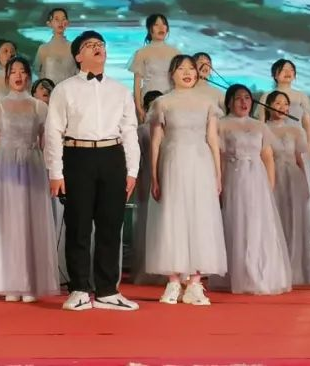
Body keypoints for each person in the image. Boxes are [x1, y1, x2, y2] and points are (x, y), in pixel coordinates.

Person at [44, 30, 140, 312]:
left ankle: (108, 290)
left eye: (101, 44)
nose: (98, 48)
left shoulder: (120, 90)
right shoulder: (64, 89)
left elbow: (130, 131)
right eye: (90, 45)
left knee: (111, 226)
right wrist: (55, 172)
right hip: (77, 156)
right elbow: (53, 131)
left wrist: (132, 170)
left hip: (112, 156)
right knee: (79, 226)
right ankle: (79, 289)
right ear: (78, 56)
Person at [146, 55, 226, 306]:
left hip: (201, 165)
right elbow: (156, 142)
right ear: (172, 74)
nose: (187, 73)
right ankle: (173, 281)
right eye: (181, 69)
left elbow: (212, 140)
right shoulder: (162, 103)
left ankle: (195, 283)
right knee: (173, 218)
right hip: (173, 163)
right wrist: (154, 176)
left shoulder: (207, 103)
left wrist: (218, 173)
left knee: (200, 219)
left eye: (191, 68)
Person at [0, 56, 59, 303]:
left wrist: (53, 173)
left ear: (28, 76)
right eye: (13, 71)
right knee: (8, 224)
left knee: (30, 223)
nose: (18, 75)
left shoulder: (39, 107)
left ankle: (29, 283)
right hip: (5, 167)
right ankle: (9, 282)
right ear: (7, 77)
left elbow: (47, 144)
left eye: (22, 71)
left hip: (32, 166)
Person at [211, 84, 292, 295]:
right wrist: (219, 184)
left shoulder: (259, 126)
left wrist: (269, 186)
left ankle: (261, 274)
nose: (244, 102)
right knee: (238, 223)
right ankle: (240, 274)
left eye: (247, 98)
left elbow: (267, 157)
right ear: (229, 102)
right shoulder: (221, 125)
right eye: (239, 98)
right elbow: (219, 157)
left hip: (258, 179)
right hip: (234, 177)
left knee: (259, 226)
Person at [265, 90, 310, 286]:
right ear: (268, 105)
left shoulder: (296, 131)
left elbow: (299, 159)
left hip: (293, 178)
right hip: (272, 177)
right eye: (277, 103)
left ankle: (295, 270)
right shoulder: (262, 129)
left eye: (285, 104)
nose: (282, 107)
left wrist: (305, 184)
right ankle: (276, 270)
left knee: (295, 220)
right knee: (275, 219)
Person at [257, 59, 310, 178]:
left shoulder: (301, 96)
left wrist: (308, 149)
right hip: (275, 144)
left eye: (291, 70)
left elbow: (307, 126)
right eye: (284, 69)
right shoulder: (267, 96)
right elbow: (261, 124)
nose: (288, 72)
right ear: (275, 75)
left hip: (298, 144)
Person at [130, 90, 164, 285]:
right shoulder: (142, 130)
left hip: (166, 176)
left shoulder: (168, 128)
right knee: (146, 223)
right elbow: (139, 158)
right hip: (147, 178)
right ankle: (146, 269)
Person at [127, 13, 179, 122]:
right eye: (156, 25)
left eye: (164, 24)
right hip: (149, 99)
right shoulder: (142, 53)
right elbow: (137, 83)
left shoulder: (175, 52)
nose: (161, 28)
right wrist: (139, 107)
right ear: (149, 29)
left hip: (171, 98)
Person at [34, 8, 77, 84]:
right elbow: (37, 71)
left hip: (70, 89)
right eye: (56, 19)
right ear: (49, 24)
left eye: (63, 19)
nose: (60, 22)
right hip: (49, 89)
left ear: (67, 23)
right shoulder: (43, 48)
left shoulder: (74, 47)